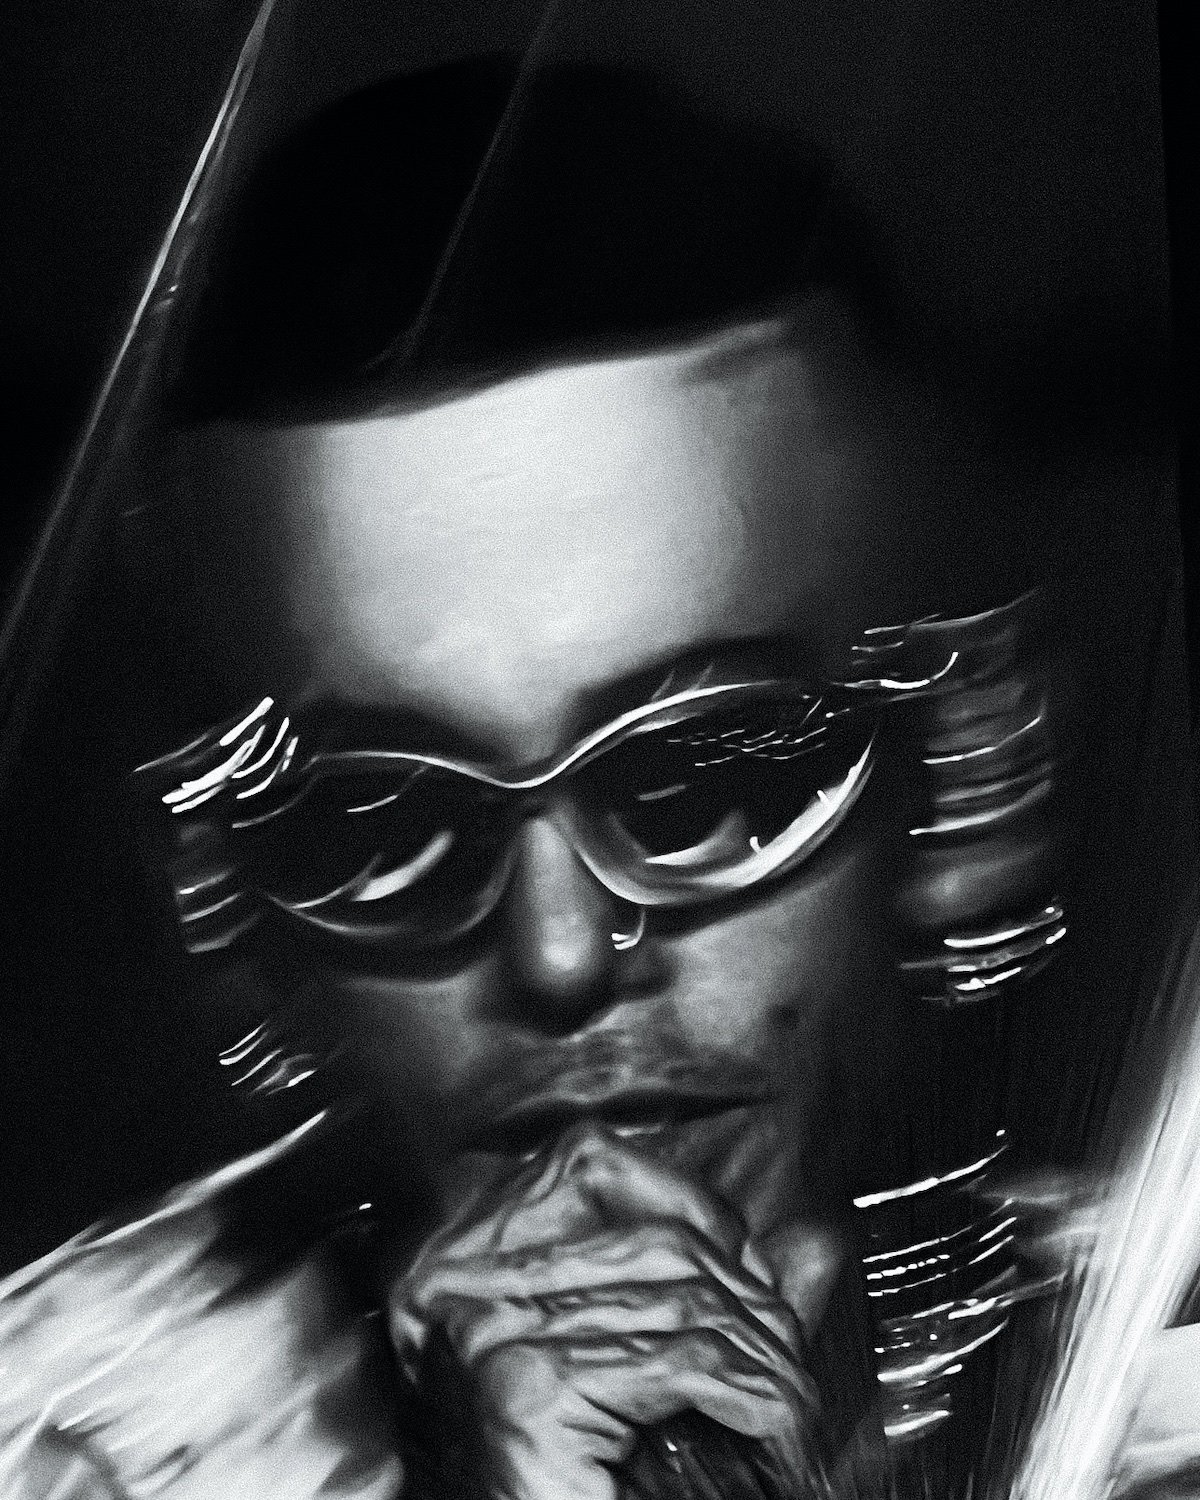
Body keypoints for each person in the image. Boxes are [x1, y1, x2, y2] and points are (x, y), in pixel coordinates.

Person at [0, 52, 1142, 1500]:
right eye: (386, 829)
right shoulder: (54, 1450)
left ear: (967, 771)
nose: (559, 957)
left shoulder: (1150, 1383)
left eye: (700, 783)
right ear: (228, 904)